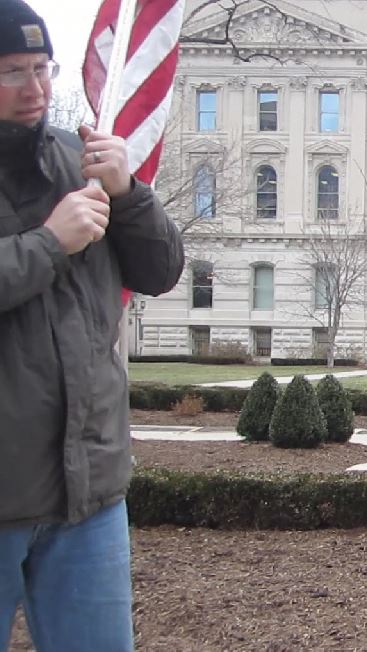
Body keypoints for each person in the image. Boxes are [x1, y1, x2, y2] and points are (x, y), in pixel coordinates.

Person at [0, 2, 184, 650]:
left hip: (89, 493)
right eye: (12, 72)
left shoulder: (79, 160)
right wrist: (50, 244)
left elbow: (161, 270)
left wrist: (129, 192)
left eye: (41, 69)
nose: (35, 89)